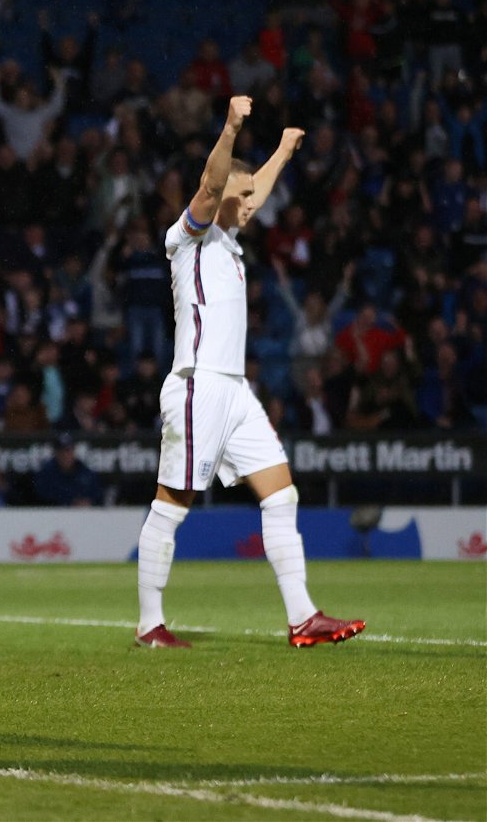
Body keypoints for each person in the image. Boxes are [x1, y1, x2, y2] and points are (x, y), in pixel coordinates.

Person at [135, 97, 364, 650]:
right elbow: (217, 187)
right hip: (197, 385)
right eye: (241, 197)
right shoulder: (186, 236)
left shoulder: (230, 244)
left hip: (234, 391)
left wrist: (284, 149)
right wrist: (233, 125)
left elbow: (245, 190)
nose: (250, 205)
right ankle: (149, 625)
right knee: (172, 502)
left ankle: (303, 618)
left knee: (281, 493)